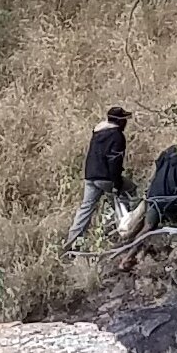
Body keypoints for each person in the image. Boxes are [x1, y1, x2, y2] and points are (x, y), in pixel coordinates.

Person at [117, 131, 177, 256]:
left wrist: (153, 184)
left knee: (143, 226)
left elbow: (157, 165)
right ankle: (127, 258)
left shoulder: (172, 150)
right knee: (151, 227)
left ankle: (125, 248)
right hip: (166, 202)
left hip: (153, 193)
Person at [65, 105, 133, 251]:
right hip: (105, 177)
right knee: (128, 192)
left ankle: (71, 242)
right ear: (120, 121)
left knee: (86, 208)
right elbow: (114, 161)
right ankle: (126, 232)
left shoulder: (97, 133)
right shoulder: (117, 136)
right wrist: (116, 183)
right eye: (125, 119)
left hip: (90, 176)